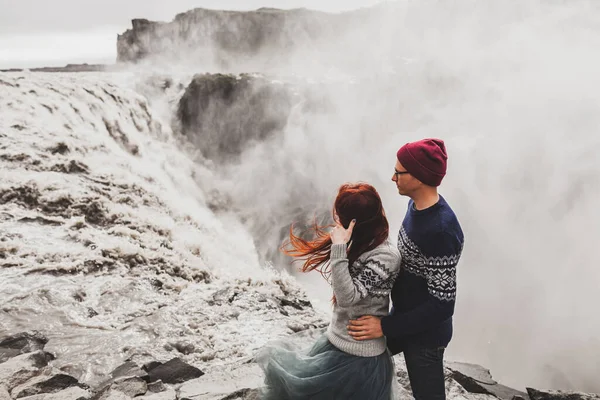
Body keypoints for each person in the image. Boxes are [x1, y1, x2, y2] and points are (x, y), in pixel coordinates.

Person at [256, 183, 401, 400]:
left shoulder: (385, 256)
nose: (337, 222)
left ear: (354, 222)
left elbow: (347, 298)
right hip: (334, 344)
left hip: (359, 361)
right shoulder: (361, 240)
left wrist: (339, 249)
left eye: (340, 217)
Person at [347, 139, 464, 400]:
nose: (392, 177)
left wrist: (385, 327)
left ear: (419, 177)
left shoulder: (441, 230)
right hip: (402, 317)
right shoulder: (416, 207)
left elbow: (442, 305)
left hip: (425, 337)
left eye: (399, 172)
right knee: (352, 361)